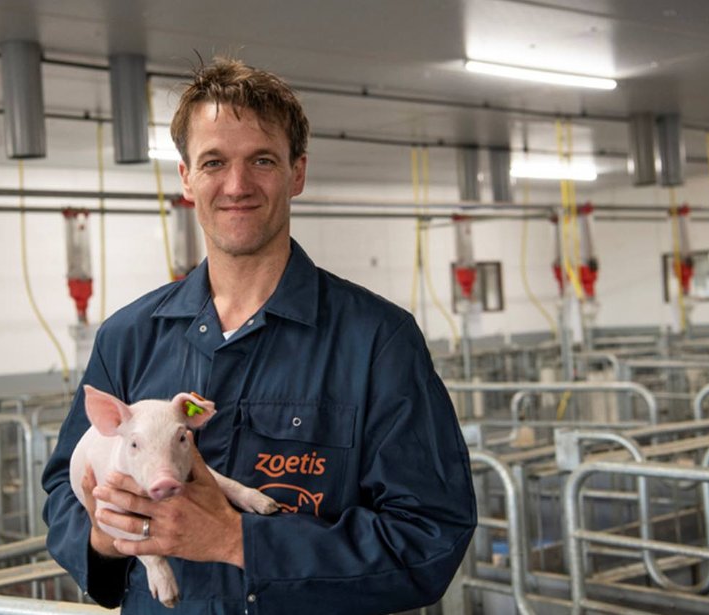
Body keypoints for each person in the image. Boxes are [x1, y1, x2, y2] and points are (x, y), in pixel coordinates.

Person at [42, 56, 477, 615]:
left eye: (262, 160)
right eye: (214, 162)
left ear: (298, 173)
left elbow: (429, 538)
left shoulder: (377, 341)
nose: (237, 185)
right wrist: (106, 534)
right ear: (186, 178)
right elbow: (63, 493)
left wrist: (235, 540)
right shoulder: (128, 337)